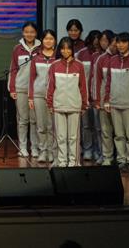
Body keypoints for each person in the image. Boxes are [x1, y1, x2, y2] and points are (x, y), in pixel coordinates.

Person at [102, 32, 129, 171]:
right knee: (118, 135)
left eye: (124, 42)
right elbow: (108, 82)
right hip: (114, 104)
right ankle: (121, 160)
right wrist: (107, 100)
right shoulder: (112, 60)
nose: (120, 45)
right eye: (118, 42)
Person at [46, 38, 88, 167]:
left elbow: (83, 87)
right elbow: (50, 86)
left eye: (68, 48)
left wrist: (84, 104)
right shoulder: (54, 65)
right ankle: (62, 162)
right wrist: (50, 103)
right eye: (63, 48)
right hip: (58, 105)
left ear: (72, 50)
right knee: (60, 137)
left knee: (73, 137)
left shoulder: (79, 65)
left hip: (74, 106)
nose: (65, 51)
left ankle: (73, 162)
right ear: (59, 50)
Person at [8, 21, 40, 158]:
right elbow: (13, 69)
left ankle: (35, 147)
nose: (29, 34)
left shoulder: (41, 48)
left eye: (32, 32)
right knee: (22, 120)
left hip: (37, 90)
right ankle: (22, 147)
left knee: (35, 120)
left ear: (36, 33)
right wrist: (12, 88)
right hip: (21, 88)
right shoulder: (17, 49)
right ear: (23, 33)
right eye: (26, 32)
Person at [27, 30, 58, 164]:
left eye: (51, 39)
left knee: (51, 125)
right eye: (46, 39)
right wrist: (30, 97)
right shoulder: (36, 57)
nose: (48, 41)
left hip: (54, 96)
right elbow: (31, 78)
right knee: (41, 125)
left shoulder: (58, 57)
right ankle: (43, 151)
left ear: (55, 41)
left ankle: (51, 151)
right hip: (38, 95)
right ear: (42, 40)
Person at [75, 29, 101, 161]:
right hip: (83, 97)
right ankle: (87, 149)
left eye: (98, 39)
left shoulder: (102, 55)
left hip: (98, 98)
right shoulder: (81, 54)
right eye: (94, 39)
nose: (96, 42)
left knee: (98, 126)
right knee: (85, 125)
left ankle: (98, 150)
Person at [94, 30, 117, 165]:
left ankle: (122, 159)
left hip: (119, 101)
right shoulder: (101, 59)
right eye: (113, 44)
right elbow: (96, 81)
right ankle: (107, 157)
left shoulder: (125, 59)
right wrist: (97, 100)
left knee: (120, 133)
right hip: (104, 101)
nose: (115, 46)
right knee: (106, 130)